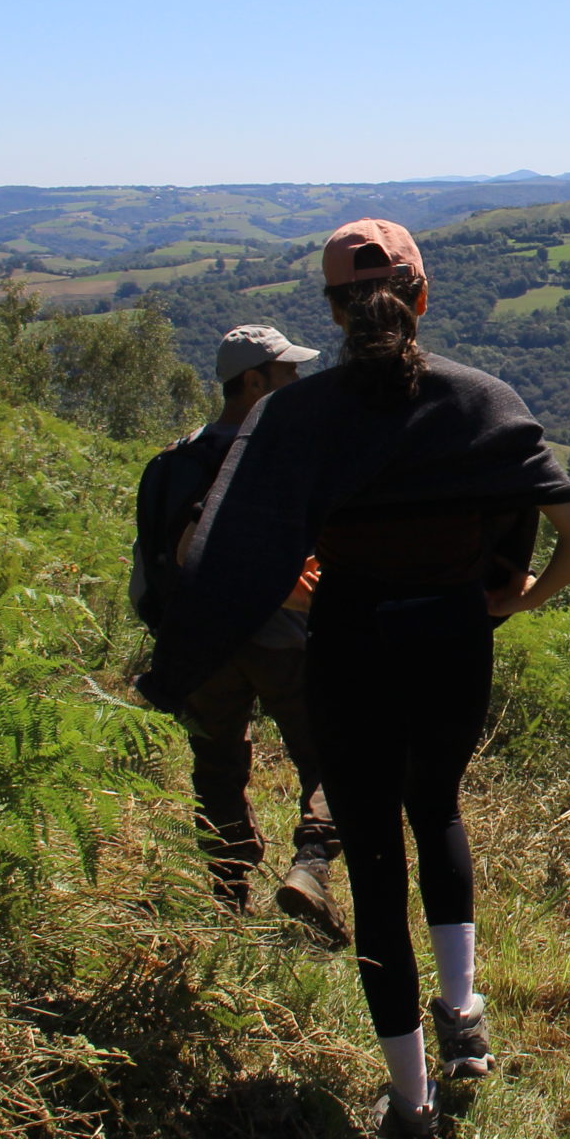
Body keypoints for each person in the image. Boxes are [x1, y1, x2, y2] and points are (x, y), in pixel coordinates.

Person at [136, 219, 570, 1139]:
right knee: (438, 808)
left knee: (375, 857)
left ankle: (410, 1102)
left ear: (337, 314)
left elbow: (240, 549)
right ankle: (463, 1015)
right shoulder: (481, 400)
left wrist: (176, 659)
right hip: (452, 641)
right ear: (420, 297)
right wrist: (515, 605)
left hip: (348, 643)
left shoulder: (296, 417)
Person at [131, 324, 345, 942]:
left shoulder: (172, 461)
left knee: (216, 766)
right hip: (282, 640)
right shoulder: (284, 458)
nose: (298, 383)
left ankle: (228, 897)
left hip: (198, 644)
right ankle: (310, 870)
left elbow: (150, 562)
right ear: (254, 382)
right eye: (287, 373)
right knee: (333, 758)